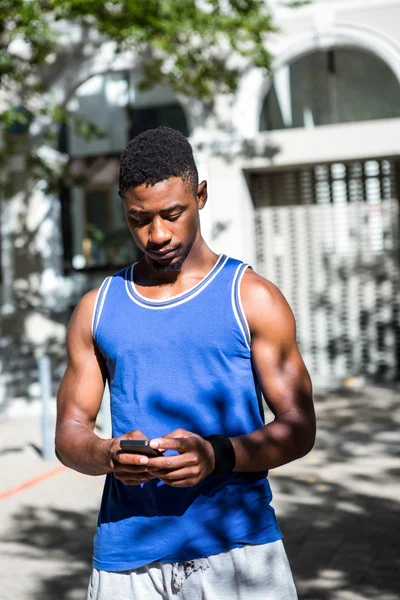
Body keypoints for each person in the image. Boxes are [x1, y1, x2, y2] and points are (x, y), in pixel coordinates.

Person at [55, 126, 316, 600]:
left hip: (237, 550)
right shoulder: (97, 308)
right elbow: (69, 432)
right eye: (139, 220)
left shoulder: (252, 298)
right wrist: (106, 455)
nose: (157, 235)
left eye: (172, 214)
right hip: (128, 558)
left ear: (200, 196)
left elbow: (299, 426)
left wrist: (218, 456)